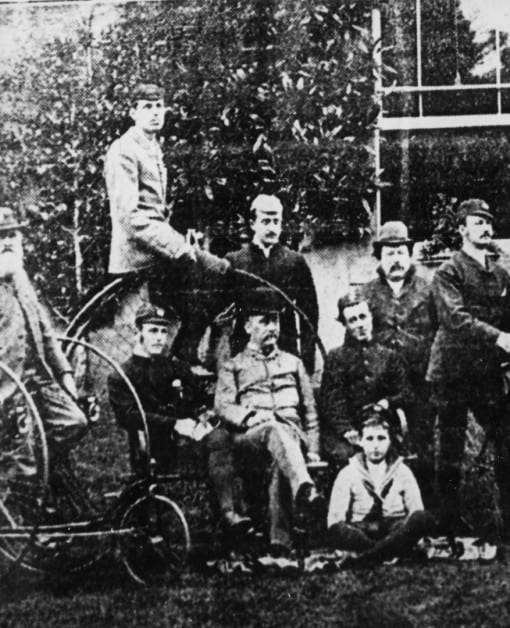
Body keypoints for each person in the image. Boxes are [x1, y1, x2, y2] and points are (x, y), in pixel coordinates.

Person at [427, 198, 510, 538]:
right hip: (452, 372)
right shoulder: (448, 272)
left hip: (486, 373)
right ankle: (448, 522)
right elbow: (456, 319)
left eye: (489, 222)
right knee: (449, 450)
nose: (486, 227)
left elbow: (509, 315)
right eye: (477, 222)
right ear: (462, 229)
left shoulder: (498, 273)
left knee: (508, 443)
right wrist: (498, 337)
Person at [105, 83, 230, 365]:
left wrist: (180, 241)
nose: (154, 113)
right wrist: (175, 246)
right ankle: (183, 359)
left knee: (218, 279)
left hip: (157, 249)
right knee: (217, 271)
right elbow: (130, 217)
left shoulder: (151, 146)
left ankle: (184, 359)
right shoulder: (123, 151)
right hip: (139, 254)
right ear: (132, 112)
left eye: (159, 106)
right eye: (147, 107)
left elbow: (156, 214)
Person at [108, 304, 250, 535]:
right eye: (153, 331)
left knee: (220, 437)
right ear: (138, 332)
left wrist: (203, 415)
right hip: (155, 446)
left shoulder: (177, 368)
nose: (160, 338)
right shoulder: (121, 375)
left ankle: (228, 514)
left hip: (190, 442)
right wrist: (173, 423)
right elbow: (129, 416)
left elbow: (196, 401)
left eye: (164, 332)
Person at [214, 288, 323, 553]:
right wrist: (252, 416)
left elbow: (310, 411)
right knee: (274, 429)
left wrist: (314, 450)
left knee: (281, 458)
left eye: (275, 321)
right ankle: (305, 488)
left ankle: (279, 542)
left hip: (290, 436)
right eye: (264, 322)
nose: (272, 328)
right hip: (250, 437)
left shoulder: (293, 363)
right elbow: (223, 405)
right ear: (248, 325)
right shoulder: (234, 365)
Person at [0, 207, 88, 481]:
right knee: (21, 461)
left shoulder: (20, 276)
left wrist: (64, 373)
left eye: (13, 235)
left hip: (38, 378)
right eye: (0, 237)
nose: (8, 242)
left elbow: (44, 330)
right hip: (6, 385)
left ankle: (41, 475)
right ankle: (20, 509)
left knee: (74, 422)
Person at [361, 220, 436, 469]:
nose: (396, 259)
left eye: (401, 252)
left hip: (420, 378)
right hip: (382, 381)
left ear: (410, 254)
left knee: (422, 441)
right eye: (389, 252)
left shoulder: (428, 290)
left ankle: (423, 493)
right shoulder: (366, 293)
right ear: (379, 257)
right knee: (382, 437)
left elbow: (440, 332)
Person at [225, 194, 319, 373]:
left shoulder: (295, 262)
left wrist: (307, 361)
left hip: (286, 350)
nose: (272, 228)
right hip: (246, 353)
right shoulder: (235, 261)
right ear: (252, 224)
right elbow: (223, 314)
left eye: (276, 222)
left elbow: (310, 315)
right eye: (266, 221)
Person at [327, 410, 434, 566]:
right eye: (369, 439)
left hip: (394, 529)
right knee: (337, 530)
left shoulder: (402, 471)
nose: (375, 445)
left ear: (390, 441)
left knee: (421, 518)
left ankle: (367, 557)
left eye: (381, 438)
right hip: (362, 531)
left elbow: (415, 510)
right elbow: (335, 520)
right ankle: (386, 552)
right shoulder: (348, 472)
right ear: (360, 441)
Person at [318, 290, 410, 470]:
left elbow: (405, 392)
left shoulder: (389, 355)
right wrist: (346, 430)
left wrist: (387, 402)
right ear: (345, 324)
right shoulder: (336, 357)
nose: (360, 324)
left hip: (381, 427)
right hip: (347, 432)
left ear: (371, 318)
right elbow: (331, 401)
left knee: (390, 455)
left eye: (362, 317)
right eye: (352, 320)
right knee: (349, 460)